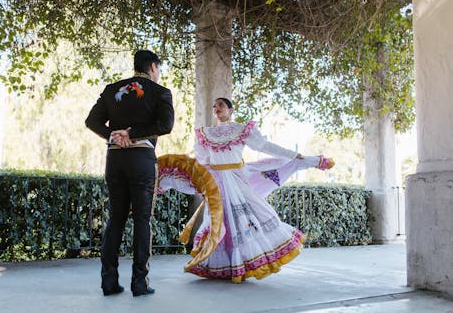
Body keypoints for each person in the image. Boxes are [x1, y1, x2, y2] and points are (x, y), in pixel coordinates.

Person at [158, 97, 333, 283]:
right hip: (216, 183)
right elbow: (200, 162)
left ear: (231, 110)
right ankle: (220, 266)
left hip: (237, 179)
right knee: (219, 221)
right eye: (214, 105)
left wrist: (293, 154)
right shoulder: (205, 133)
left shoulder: (241, 130)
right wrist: (198, 181)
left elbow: (265, 146)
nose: (216, 108)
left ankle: (243, 264)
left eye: (221, 105)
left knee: (249, 216)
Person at [85, 50, 174, 296]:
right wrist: (132, 134)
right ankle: (139, 283)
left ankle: (109, 283)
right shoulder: (160, 92)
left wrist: (114, 135)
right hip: (141, 159)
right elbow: (165, 126)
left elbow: (91, 121)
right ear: (154, 67)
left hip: (115, 158)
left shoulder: (112, 89)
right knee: (142, 220)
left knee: (116, 219)